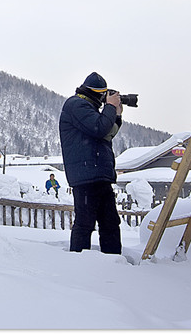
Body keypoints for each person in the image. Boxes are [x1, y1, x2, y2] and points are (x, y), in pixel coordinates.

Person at [58, 72, 123, 255]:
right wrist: (109, 107)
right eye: (104, 95)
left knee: (110, 222)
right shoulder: (76, 104)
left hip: (98, 174)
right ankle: (79, 263)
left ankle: (113, 261)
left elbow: (106, 133)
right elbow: (98, 128)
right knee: (85, 222)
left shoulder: (89, 108)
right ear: (97, 93)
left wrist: (116, 115)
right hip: (86, 176)